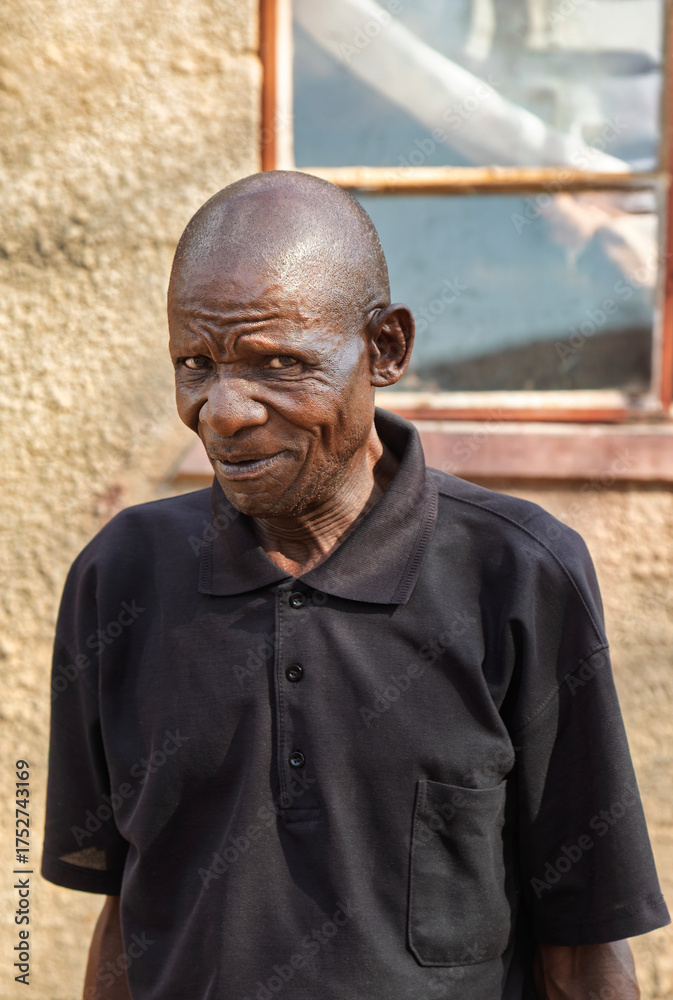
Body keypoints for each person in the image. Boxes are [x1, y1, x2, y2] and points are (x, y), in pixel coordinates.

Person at [42, 171, 669, 1000]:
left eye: (277, 363)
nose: (222, 409)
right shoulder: (119, 578)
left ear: (385, 350)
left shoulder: (517, 575)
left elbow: (581, 947)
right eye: (195, 363)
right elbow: (124, 916)